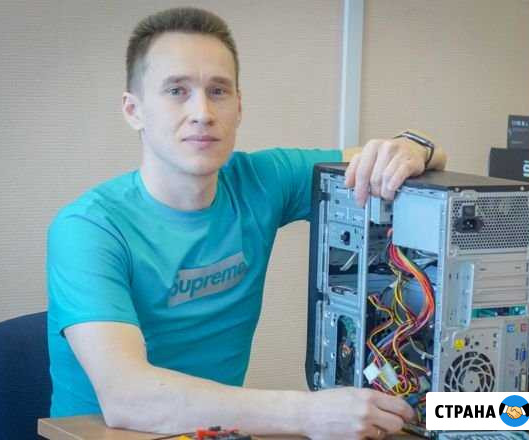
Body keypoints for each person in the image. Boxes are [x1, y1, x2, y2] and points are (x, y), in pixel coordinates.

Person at [47, 7, 447, 440]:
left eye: (217, 91)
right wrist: (309, 414)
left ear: (239, 106)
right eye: (177, 91)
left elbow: (395, 159)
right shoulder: (88, 228)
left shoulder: (261, 181)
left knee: (488, 421)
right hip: (111, 435)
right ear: (133, 110)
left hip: (215, 434)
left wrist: (412, 149)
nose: (202, 112)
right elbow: (128, 398)